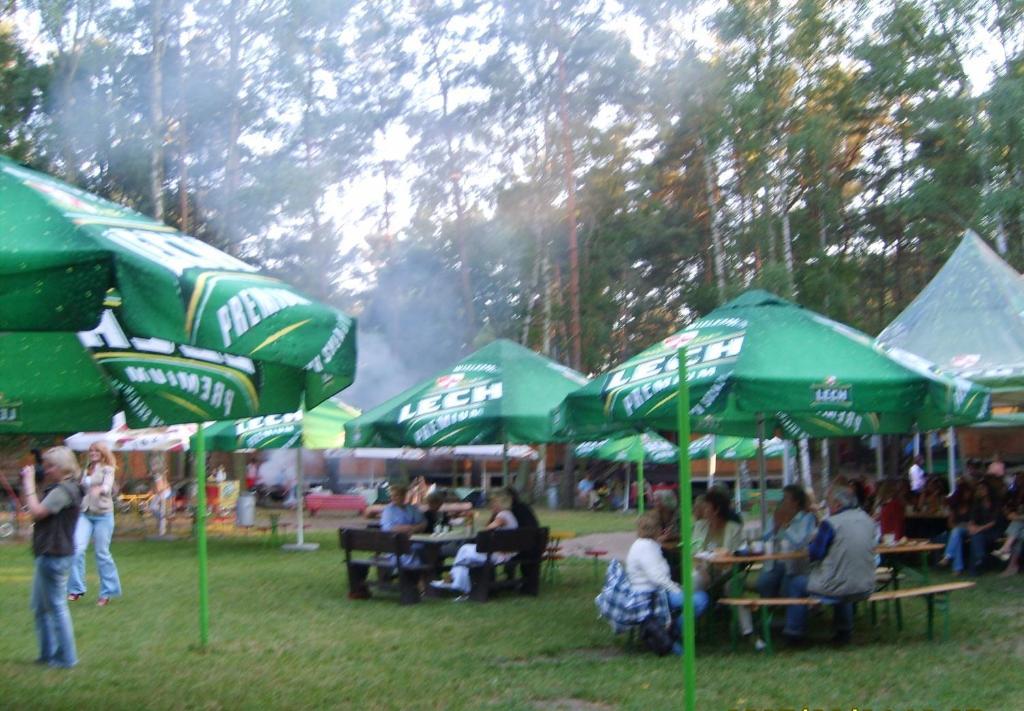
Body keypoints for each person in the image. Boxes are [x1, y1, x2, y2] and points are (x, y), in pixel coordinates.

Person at [783, 487, 876, 646]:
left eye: (830, 503)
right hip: (865, 584)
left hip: (837, 585)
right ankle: (844, 630)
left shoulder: (830, 524)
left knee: (796, 583)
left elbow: (815, 554)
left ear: (838, 504)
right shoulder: (868, 520)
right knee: (843, 578)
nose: (828, 507)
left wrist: (812, 542)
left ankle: (795, 633)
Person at [20, 447, 84, 668]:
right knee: (39, 607)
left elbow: (37, 512)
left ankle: (67, 658)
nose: (45, 470)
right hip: (49, 552)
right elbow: (33, 506)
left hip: (54, 554)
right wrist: (31, 487)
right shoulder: (60, 488)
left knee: (56, 607)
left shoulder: (65, 490)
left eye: (50, 466)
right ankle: (47, 654)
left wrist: (28, 483)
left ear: (63, 467)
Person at [626, 512, 709, 655]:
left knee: (695, 595)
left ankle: (672, 631)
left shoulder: (645, 544)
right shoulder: (646, 548)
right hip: (652, 595)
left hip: (654, 592)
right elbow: (657, 577)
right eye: (661, 527)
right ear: (656, 529)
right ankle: (675, 631)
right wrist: (676, 589)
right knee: (701, 599)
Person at [430, 491, 518, 599]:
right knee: (465, 555)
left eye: (493, 502)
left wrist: (477, 526)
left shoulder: (502, 515)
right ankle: (459, 586)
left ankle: (454, 581)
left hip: (498, 555)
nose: (490, 505)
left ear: (499, 503)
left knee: (464, 550)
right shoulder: (510, 515)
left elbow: (486, 531)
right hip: (503, 553)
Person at [68, 442, 122, 606]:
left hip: (103, 515)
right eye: (90, 450)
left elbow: (107, 486)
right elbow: (81, 488)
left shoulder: (108, 469)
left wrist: (100, 489)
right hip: (85, 513)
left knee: (102, 553)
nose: (92, 453)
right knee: (76, 549)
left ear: (103, 452)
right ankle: (76, 589)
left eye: (96, 450)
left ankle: (107, 592)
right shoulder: (87, 469)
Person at [757, 485, 817, 599]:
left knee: (787, 588)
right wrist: (775, 528)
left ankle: (784, 611)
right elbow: (764, 539)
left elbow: (800, 543)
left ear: (795, 502)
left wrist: (785, 526)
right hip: (775, 562)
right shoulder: (776, 516)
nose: (782, 502)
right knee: (763, 583)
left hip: (797, 565)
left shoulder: (807, 519)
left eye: (785, 498)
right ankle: (769, 612)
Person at [941, 479, 999, 575]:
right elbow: (971, 519)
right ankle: (952, 562)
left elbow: (994, 521)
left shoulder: (991, 503)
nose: (980, 491)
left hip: (983, 529)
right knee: (956, 532)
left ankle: (951, 560)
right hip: (968, 529)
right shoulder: (975, 503)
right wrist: (971, 526)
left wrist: (975, 528)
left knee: (957, 533)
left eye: (982, 488)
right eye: (979, 489)